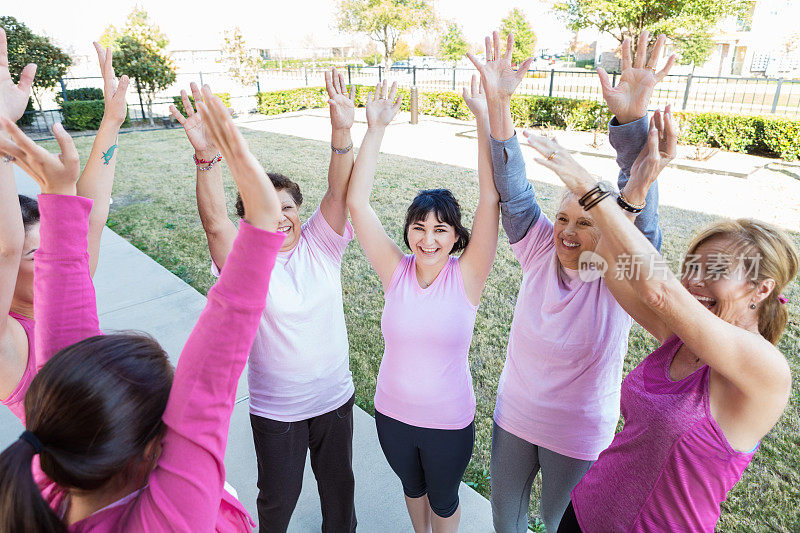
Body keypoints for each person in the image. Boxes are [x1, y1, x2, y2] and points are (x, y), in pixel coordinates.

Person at [0, 86, 284, 531]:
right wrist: (264, 223)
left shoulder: (55, 475)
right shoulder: (166, 518)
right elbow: (208, 382)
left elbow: (66, 329)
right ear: (150, 447)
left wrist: (59, 192)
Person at [523, 129, 798, 533]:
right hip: (583, 512)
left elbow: (659, 290)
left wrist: (589, 189)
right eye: (693, 267)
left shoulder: (765, 371)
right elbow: (604, 261)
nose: (695, 281)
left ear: (761, 289)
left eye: (716, 270)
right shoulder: (679, 338)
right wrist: (637, 184)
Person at [465, 31, 674, 532]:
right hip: (515, 417)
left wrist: (631, 121)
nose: (569, 232)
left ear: (606, 228)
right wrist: (499, 104)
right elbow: (512, 188)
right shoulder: (537, 247)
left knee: (561, 525)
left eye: (586, 221)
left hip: (579, 433)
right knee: (505, 523)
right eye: (562, 218)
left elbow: (637, 212)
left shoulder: (618, 270)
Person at [170, 68, 358, 532]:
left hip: (335, 400)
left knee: (340, 495)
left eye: (288, 207)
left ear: (300, 210)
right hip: (279, 412)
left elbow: (339, 190)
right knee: (278, 500)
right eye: (266, 209)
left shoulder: (322, 242)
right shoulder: (246, 261)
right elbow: (215, 225)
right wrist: (207, 157)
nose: (280, 217)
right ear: (250, 218)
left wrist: (341, 130)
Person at [346, 77, 499, 533]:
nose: (427, 239)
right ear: (408, 231)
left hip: (448, 423)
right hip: (392, 415)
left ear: (456, 238)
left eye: (440, 230)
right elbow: (356, 201)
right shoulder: (395, 272)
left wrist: (482, 117)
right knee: (412, 490)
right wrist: (375, 129)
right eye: (418, 227)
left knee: (445, 497)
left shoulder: (467, 277)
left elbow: (489, 198)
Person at [0, 35, 130, 423]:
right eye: (34, 254)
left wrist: (112, 120)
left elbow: (92, 215)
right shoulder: (10, 346)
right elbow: (6, 247)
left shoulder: (67, 286)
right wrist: (5, 139)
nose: (50, 260)